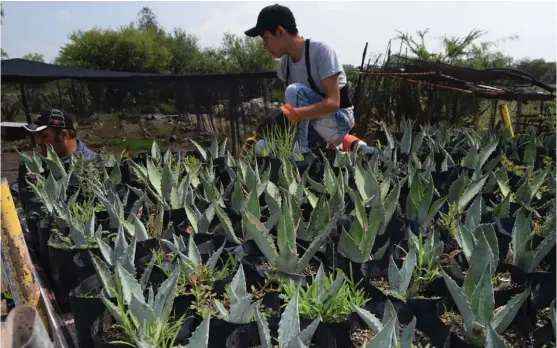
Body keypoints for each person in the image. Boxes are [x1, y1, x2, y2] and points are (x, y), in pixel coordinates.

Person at [244, 4, 377, 156]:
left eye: (265, 38)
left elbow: (333, 104)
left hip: (339, 121)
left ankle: (302, 155)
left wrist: (290, 114)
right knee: (261, 146)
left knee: (294, 91)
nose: (264, 46)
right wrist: (269, 128)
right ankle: (335, 153)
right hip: (312, 126)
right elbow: (294, 110)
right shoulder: (285, 65)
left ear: (280, 31)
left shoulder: (321, 51)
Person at [14, 108, 97, 212]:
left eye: (43, 136)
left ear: (63, 135)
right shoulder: (40, 163)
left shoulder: (93, 164)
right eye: (36, 136)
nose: (38, 141)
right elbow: (15, 189)